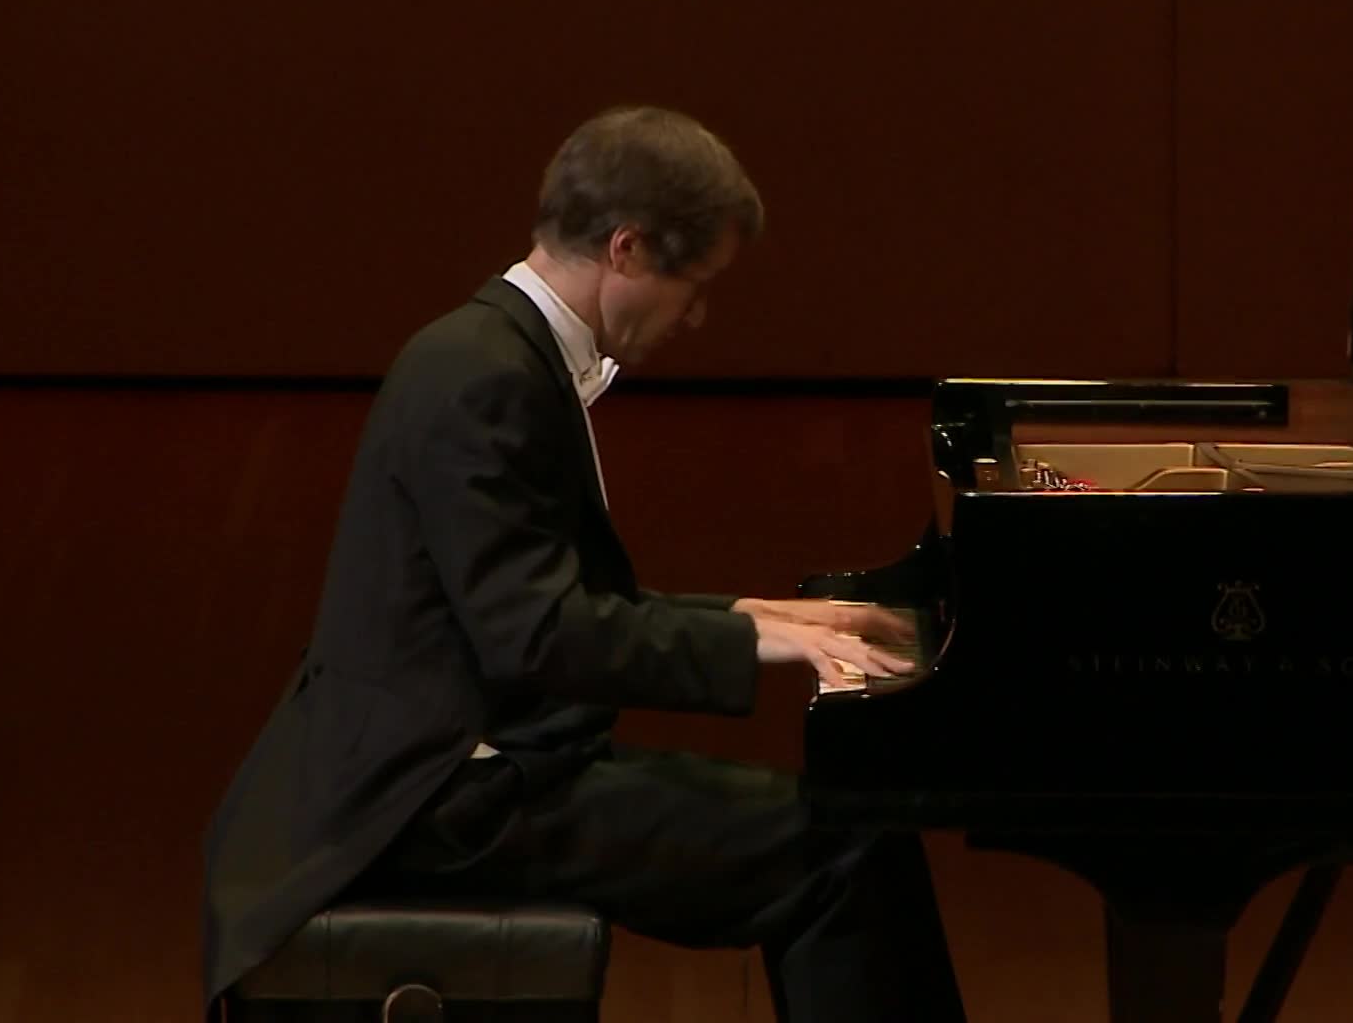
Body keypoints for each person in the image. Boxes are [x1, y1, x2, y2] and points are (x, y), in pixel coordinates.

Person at [201, 105, 968, 1022]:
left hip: (465, 765)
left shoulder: (498, 353)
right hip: (434, 797)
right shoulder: (486, 379)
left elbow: (556, 602)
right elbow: (536, 637)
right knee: (842, 848)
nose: (697, 315)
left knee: (848, 834)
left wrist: (756, 615)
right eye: (694, 285)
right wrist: (759, 647)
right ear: (627, 249)